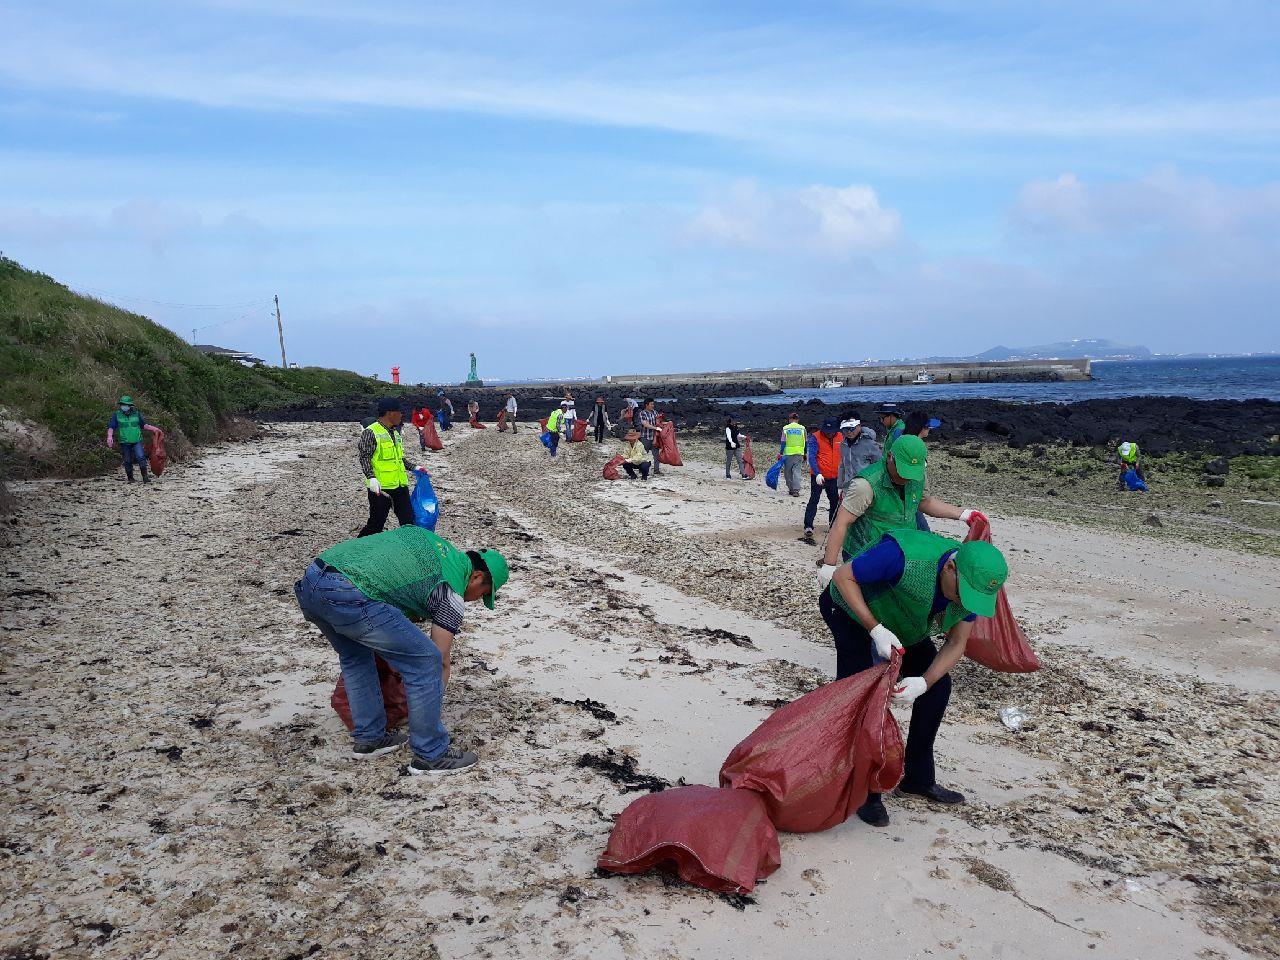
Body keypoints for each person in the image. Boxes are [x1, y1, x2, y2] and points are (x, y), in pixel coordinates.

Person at [820, 527, 1008, 825]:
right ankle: (865, 790)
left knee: (939, 688)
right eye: (962, 593)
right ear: (950, 567)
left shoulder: (971, 586)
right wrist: (875, 630)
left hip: (905, 623)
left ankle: (917, 778)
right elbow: (843, 576)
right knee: (866, 693)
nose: (963, 602)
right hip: (850, 610)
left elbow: (957, 643)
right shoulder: (902, 555)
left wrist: (924, 681)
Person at [294, 525, 509, 775]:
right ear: (477, 577)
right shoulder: (452, 592)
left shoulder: (434, 546)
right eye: (481, 595)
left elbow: (394, 577)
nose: (475, 601)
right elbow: (439, 660)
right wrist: (429, 703)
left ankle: (370, 739)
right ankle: (431, 753)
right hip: (348, 591)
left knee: (356, 656)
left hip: (312, 582)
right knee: (426, 660)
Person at [817, 435, 984, 588]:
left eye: (911, 473)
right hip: (865, 553)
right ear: (890, 457)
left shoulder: (917, 476)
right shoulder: (865, 485)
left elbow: (924, 502)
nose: (906, 478)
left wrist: (964, 514)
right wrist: (829, 565)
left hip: (903, 551)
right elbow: (841, 523)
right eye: (902, 471)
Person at [358, 398, 428, 537]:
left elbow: (399, 459)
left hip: (400, 485)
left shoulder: (395, 433)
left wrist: (415, 467)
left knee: (408, 522)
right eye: (399, 412)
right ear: (390, 413)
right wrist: (371, 478)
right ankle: (355, 550)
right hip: (381, 488)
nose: (401, 415)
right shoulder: (371, 432)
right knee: (376, 525)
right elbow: (364, 456)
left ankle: (412, 551)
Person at [803, 417, 844, 540]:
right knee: (814, 500)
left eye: (832, 431)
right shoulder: (815, 437)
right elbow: (812, 457)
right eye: (827, 431)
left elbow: (845, 456)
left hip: (834, 476)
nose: (829, 434)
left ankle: (833, 525)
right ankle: (808, 526)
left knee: (834, 501)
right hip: (818, 476)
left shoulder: (841, 437)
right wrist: (817, 473)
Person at [106, 395, 162, 484]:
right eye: (122, 404)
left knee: (141, 457)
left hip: (137, 440)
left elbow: (143, 425)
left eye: (126, 404)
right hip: (124, 441)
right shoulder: (116, 415)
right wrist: (109, 436)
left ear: (130, 405)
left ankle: (145, 477)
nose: (124, 406)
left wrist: (155, 429)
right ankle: (130, 478)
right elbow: (111, 427)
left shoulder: (136, 414)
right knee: (127, 460)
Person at [903, 412, 943, 529]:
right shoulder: (912, 446)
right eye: (927, 427)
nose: (929, 429)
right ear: (921, 428)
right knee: (924, 533)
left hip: (914, 499)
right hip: (912, 499)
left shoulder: (908, 442)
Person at [836, 418, 881, 495]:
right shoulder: (843, 445)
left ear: (859, 426)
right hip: (848, 488)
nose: (849, 432)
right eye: (845, 430)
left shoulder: (869, 444)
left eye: (852, 429)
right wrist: (840, 486)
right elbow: (842, 466)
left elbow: (879, 465)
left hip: (866, 488)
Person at [778, 413, 807, 497]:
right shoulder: (802, 428)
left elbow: (783, 442)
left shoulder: (786, 428)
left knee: (788, 472)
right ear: (798, 419)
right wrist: (805, 453)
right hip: (799, 452)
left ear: (789, 419)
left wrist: (780, 453)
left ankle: (791, 489)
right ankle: (796, 490)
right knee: (797, 471)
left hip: (788, 453)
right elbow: (806, 441)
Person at [636, 398, 664, 477]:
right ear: (646, 405)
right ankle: (642, 470)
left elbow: (659, 422)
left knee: (656, 455)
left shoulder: (655, 412)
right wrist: (655, 428)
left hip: (655, 438)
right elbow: (645, 424)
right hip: (645, 437)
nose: (653, 405)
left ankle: (656, 470)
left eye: (653, 404)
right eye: (651, 404)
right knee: (643, 454)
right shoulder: (642, 413)